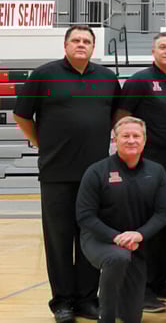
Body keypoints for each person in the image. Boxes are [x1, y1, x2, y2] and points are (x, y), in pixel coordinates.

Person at [14, 24, 121, 322]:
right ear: (65, 45)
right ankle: (62, 302)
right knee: (59, 241)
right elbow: (21, 114)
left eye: (87, 41)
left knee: (90, 237)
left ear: (93, 47)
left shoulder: (107, 78)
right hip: (56, 174)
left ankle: (88, 299)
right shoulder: (44, 75)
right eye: (76, 40)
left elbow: (118, 115)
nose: (81, 44)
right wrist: (41, 142)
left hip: (96, 176)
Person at [114, 31, 166, 309]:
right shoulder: (140, 80)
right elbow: (122, 117)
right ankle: (141, 287)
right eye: (163, 47)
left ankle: (160, 281)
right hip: (146, 161)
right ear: (153, 51)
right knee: (143, 223)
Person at [76, 117, 166, 323]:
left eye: (136, 136)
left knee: (132, 317)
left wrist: (139, 234)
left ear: (145, 141)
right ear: (115, 140)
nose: (131, 140)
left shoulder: (156, 172)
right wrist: (116, 237)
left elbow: (162, 213)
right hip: (99, 239)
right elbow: (85, 215)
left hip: (136, 243)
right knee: (117, 257)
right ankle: (106, 316)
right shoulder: (96, 171)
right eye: (125, 136)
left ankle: (118, 304)